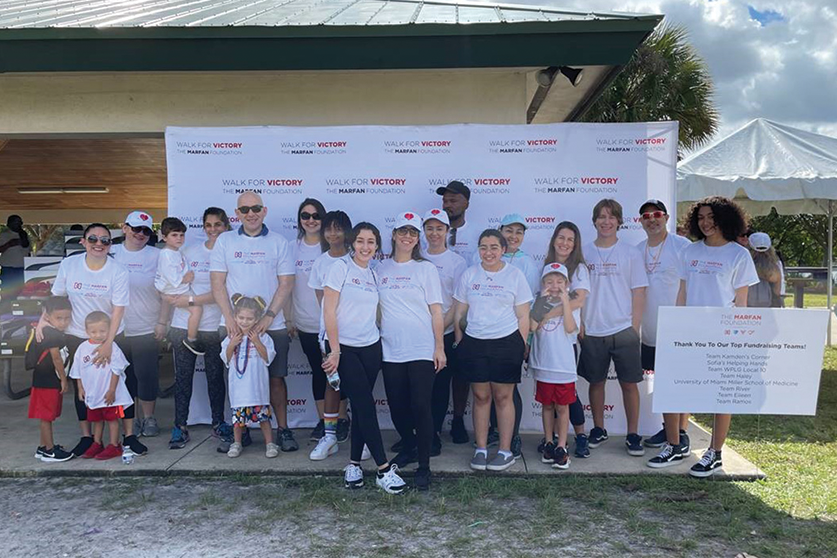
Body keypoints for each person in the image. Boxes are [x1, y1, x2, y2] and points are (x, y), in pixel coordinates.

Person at [668, 196, 758, 477]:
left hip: (723, 334)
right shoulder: (690, 252)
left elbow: (741, 302)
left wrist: (739, 337)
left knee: (721, 395)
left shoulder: (738, 255)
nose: (705, 223)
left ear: (726, 219)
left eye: (711, 217)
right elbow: (682, 292)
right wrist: (677, 325)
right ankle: (677, 444)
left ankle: (715, 452)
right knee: (681, 389)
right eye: (701, 218)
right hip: (690, 332)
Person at [45, 223, 147, 457]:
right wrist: (43, 321)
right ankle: (87, 437)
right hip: (78, 336)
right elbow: (56, 298)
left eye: (105, 240)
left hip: (112, 335)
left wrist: (109, 342)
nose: (99, 244)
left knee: (123, 383)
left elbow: (119, 308)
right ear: (83, 242)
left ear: (111, 245)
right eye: (93, 239)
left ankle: (129, 436)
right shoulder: (69, 265)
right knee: (82, 385)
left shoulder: (118, 270)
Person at [322, 222, 407, 494]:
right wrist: (334, 350)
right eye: (360, 241)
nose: (365, 247)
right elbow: (329, 312)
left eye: (371, 242)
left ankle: (354, 465)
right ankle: (383, 470)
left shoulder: (374, 272)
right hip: (343, 349)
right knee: (366, 404)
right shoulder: (339, 268)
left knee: (360, 409)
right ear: (352, 242)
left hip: (370, 347)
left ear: (377, 246)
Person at [210, 191, 298, 452]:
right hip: (234, 325)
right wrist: (229, 319)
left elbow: (287, 283)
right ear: (236, 214)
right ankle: (242, 432)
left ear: (264, 210)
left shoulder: (279, 242)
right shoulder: (224, 242)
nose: (251, 213)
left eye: (256, 208)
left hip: (274, 324)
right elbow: (217, 282)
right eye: (245, 210)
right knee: (238, 380)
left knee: (276, 380)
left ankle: (283, 430)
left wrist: (269, 316)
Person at [454, 229, 532, 472]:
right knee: (480, 397)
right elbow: (459, 313)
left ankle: (505, 451)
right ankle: (480, 449)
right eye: (483, 247)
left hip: (506, 343)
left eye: (494, 247)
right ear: (478, 250)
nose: (488, 252)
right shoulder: (469, 274)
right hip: (475, 343)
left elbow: (523, 315)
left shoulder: (515, 275)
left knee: (503, 397)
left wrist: (521, 345)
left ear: (503, 250)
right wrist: (460, 342)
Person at [378, 211, 445, 491]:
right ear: (393, 235)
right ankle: (409, 446)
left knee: (420, 406)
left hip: (421, 348)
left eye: (413, 233)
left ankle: (424, 465)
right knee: (397, 406)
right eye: (403, 231)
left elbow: (436, 311)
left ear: (417, 239)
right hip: (390, 348)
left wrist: (440, 347)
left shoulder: (426, 269)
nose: (407, 236)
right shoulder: (379, 268)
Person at [579, 199, 648, 457]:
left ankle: (632, 434)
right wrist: (581, 323)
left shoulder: (631, 253)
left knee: (629, 384)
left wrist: (634, 327)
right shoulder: (583, 253)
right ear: (594, 220)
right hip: (592, 330)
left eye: (611, 217)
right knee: (596, 383)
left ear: (619, 221)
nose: (606, 221)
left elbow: (639, 292)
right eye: (601, 217)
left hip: (623, 330)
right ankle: (599, 428)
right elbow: (578, 293)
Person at [164, 208, 231, 451]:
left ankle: (219, 423)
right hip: (183, 325)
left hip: (214, 326)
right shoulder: (188, 251)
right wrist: (164, 318)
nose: (213, 229)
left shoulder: (230, 253)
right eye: (209, 225)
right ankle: (179, 426)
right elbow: (169, 281)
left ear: (226, 226)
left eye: (218, 225)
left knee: (215, 378)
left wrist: (191, 302)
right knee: (183, 379)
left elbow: (222, 292)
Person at [633, 200, 693, 460]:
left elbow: (691, 285)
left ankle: (681, 433)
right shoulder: (637, 250)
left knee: (678, 383)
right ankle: (669, 428)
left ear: (666, 217)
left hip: (678, 328)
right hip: (649, 329)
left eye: (656, 214)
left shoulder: (683, 246)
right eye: (646, 216)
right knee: (661, 381)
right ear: (640, 222)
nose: (652, 219)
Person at [111, 211, 168, 439]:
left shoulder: (158, 255)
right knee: (124, 376)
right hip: (117, 328)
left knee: (147, 375)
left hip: (147, 326)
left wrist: (163, 321)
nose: (141, 234)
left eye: (146, 230)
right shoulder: (111, 253)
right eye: (136, 229)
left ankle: (149, 417)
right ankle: (130, 419)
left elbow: (166, 292)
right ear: (125, 228)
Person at [490, 213, 540, 457]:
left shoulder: (527, 263)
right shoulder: (488, 256)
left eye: (519, 232)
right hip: (487, 334)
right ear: (500, 231)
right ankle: (494, 430)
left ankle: (514, 435)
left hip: (512, 335)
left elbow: (528, 306)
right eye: (509, 230)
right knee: (488, 384)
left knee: (508, 388)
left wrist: (526, 339)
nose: (513, 236)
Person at [307, 210, 353, 457]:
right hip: (329, 337)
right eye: (328, 229)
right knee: (332, 384)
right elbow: (321, 301)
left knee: (358, 386)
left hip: (357, 337)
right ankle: (330, 436)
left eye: (338, 228)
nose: (333, 234)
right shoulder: (321, 261)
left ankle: (361, 436)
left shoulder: (358, 258)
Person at [542, 221, 591, 458]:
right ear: (554, 240)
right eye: (561, 238)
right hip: (546, 341)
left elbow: (579, 301)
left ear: (575, 245)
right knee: (549, 397)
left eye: (570, 240)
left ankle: (581, 436)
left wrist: (549, 313)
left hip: (567, 339)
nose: (564, 243)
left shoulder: (579, 269)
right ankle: (551, 441)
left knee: (569, 395)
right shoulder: (544, 266)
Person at [422, 208, 469, 448]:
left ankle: (436, 433)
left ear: (447, 231)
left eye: (439, 228)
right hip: (420, 335)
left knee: (441, 387)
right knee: (421, 388)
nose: (434, 233)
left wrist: (439, 329)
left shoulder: (457, 262)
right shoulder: (416, 256)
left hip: (446, 332)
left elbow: (459, 303)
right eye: (429, 228)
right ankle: (420, 433)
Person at [436, 180, 477, 441]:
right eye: (445, 201)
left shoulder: (478, 236)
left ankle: (459, 420)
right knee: (437, 379)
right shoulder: (432, 233)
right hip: (438, 321)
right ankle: (433, 427)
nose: (448, 205)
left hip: (469, 320)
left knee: (461, 376)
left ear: (466, 204)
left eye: (453, 200)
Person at [530, 263, 580, 470]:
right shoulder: (538, 303)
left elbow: (570, 328)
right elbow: (532, 327)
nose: (555, 285)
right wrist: (542, 301)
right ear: (543, 284)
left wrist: (565, 302)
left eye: (560, 281)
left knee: (562, 407)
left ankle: (561, 445)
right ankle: (548, 442)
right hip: (543, 365)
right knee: (547, 406)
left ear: (567, 284)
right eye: (550, 281)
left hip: (563, 367)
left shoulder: (572, 304)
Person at [69, 311, 134, 461]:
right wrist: (80, 388)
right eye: (94, 331)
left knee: (112, 419)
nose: (98, 335)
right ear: (86, 331)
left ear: (110, 330)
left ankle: (114, 445)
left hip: (109, 394)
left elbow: (117, 369)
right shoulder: (82, 348)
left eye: (102, 331)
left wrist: (112, 390)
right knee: (97, 420)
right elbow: (77, 371)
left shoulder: (113, 347)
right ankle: (97, 443)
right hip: (93, 393)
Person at [221, 294, 279, 459]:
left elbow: (268, 357)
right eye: (241, 317)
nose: (244, 321)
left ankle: (269, 443)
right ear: (235, 317)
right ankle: (237, 443)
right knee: (238, 420)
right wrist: (232, 344)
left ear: (257, 319)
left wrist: (256, 341)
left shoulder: (263, 337)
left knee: (263, 418)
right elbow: (225, 358)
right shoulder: (230, 337)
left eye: (249, 318)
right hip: (239, 389)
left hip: (257, 387)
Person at [26, 296, 73, 462]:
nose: (63, 322)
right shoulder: (52, 334)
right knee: (46, 417)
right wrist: (63, 379)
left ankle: (42, 447)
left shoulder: (48, 330)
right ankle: (49, 451)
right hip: (48, 381)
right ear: (47, 316)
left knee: (45, 416)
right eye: (59, 318)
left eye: (67, 318)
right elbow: (57, 359)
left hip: (42, 380)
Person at [155, 217, 203, 355]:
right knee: (197, 309)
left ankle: (175, 334)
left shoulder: (176, 252)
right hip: (175, 291)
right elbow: (171, 276)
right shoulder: (166, 254)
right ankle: (191, 338)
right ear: (164, 237)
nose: (179, 238)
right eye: (174, 235)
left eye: (182, 235)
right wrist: (185, 278)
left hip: (179, 289)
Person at [747, 232, 783, 308]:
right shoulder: (776, 265)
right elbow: (778, 291)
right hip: (769, 307)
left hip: (747, 307)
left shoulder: (745, 264)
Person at [0, 214, 31, 299]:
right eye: (16, 222)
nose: (18, 224)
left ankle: (18, 307)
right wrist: (10, 244)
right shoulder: (4, 235)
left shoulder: (24, 234)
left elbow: (28, 249)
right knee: (8, 290)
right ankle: (6, 308)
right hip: (8, 268)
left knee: (20, 291)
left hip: (22, 267)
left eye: (20, 222)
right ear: (9, 223)